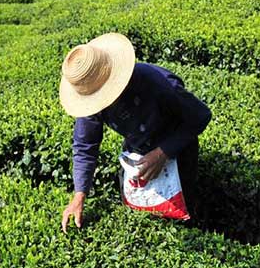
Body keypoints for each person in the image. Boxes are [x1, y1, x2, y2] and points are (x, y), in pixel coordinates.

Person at [57, 33, 212, 232]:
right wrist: (79, 195)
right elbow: (85, 146)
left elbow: (200, 115)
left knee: (181, 212)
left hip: (177, 147)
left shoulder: (158, 83)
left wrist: (162, 153)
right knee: (141, 210)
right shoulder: (91, 97)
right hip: (137, 149)